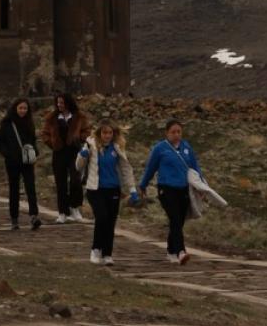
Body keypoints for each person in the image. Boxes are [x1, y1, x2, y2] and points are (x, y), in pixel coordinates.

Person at [139, 120, 204, 265]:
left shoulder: (186, 147)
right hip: (166, 188)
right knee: (174, 218)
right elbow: (150, 168)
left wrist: (201, 185)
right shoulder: (160, 148)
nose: (176, 135)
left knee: (178, 222)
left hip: (183, 189)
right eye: (173, 132)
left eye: (179, 132)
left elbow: (195, 167)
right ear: (167, 133)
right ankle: (181, 251)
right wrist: (143, 185)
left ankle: (171, 250)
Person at [77, 120, 140, 265]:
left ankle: (107, 254)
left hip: (113, 189)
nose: (107, 136)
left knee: (110, 222)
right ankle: (96, 249)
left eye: (110, 133)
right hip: (95, 189)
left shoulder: (117, 147)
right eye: (104, 132)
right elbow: (78, 166)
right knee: (102, 217)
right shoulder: (90, 145)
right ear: (99, 133)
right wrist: (82, 155)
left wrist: (132, 189)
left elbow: (125, 169)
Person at [0, 98, 41, 231]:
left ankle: (34, 216)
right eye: (20, 108)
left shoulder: (29, 123)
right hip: (12, 162)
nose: (23, 111)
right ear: (15, 108)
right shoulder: (7, 123)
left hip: (27, 161)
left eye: (25, 108)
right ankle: (14, 218)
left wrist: (34, 152)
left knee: (30, 188)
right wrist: (7, 154)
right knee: (14, 190)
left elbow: (33, 140)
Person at [40, 93, 89, 223]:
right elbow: (44, 134)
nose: (59, 105)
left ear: (68, 103)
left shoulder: (79, 117)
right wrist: (52, 143)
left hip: (74, 152)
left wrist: (79, 138)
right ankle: (62, 212)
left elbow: (87, 131)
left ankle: (75, 207)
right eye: (58, 102)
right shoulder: (52, 118)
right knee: (60, 183)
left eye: (62, 102)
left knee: (75, 181)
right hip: (59, 153)